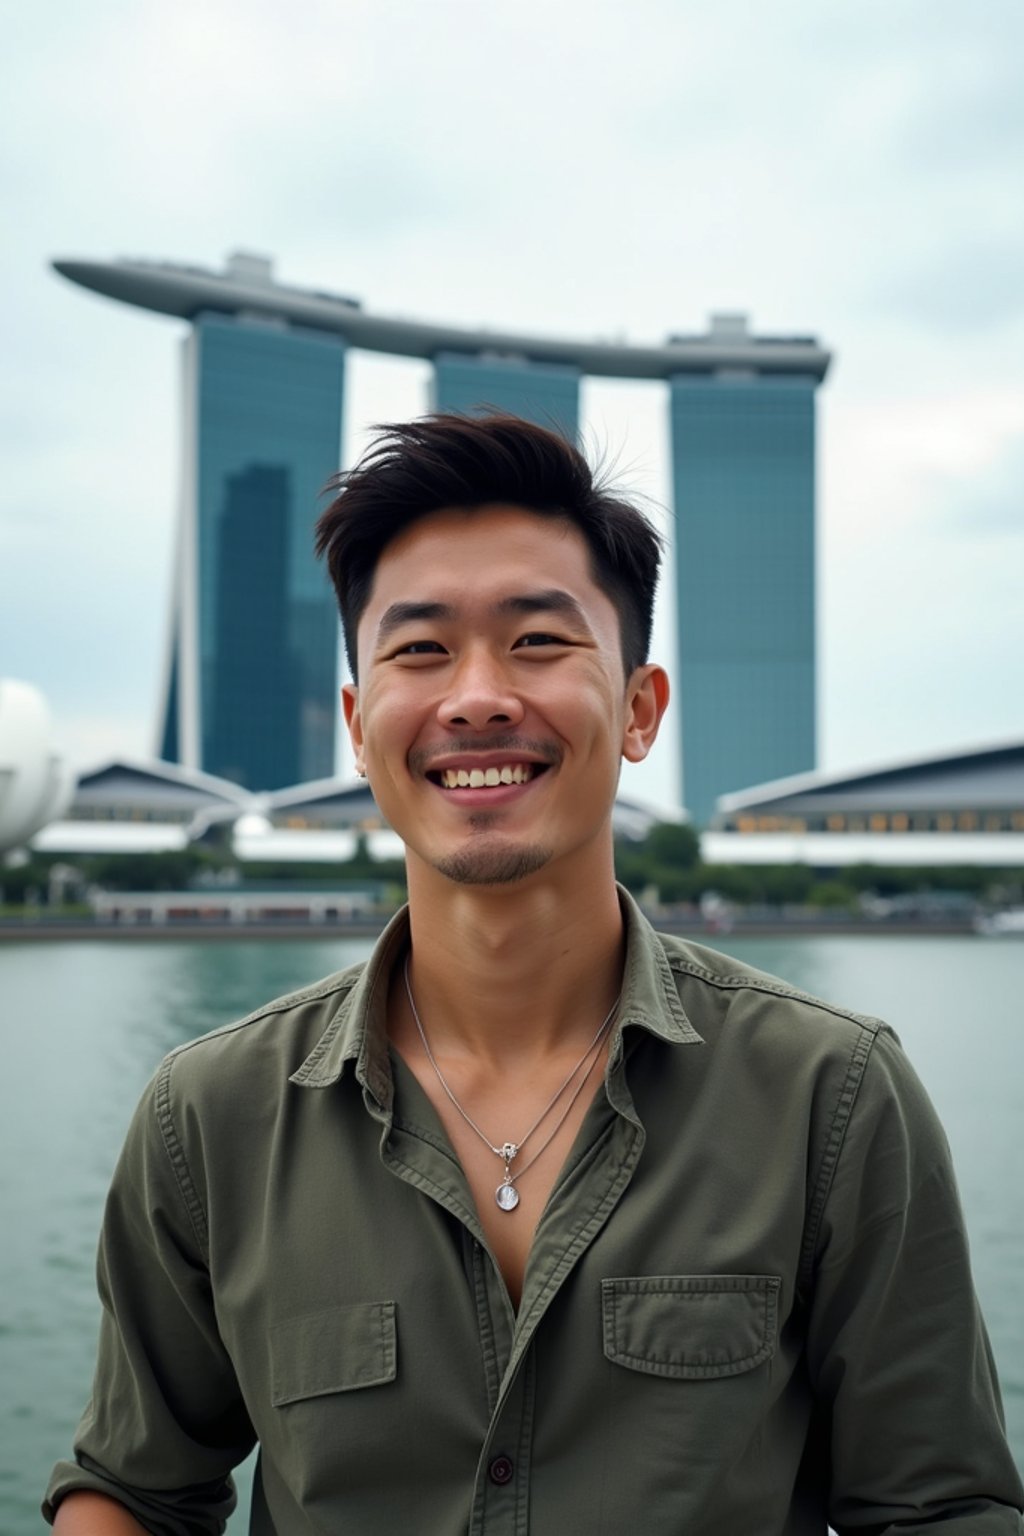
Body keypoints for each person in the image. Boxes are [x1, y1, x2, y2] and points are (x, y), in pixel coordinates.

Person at [46, 413, 1022, 1535]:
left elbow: (937, 1508)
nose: (475, 697)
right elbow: (133, 1489)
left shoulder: (831, 1096)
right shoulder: (209, 1116)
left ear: (641, 709)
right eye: (419, 649)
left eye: (538, 642)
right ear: (360, 730)